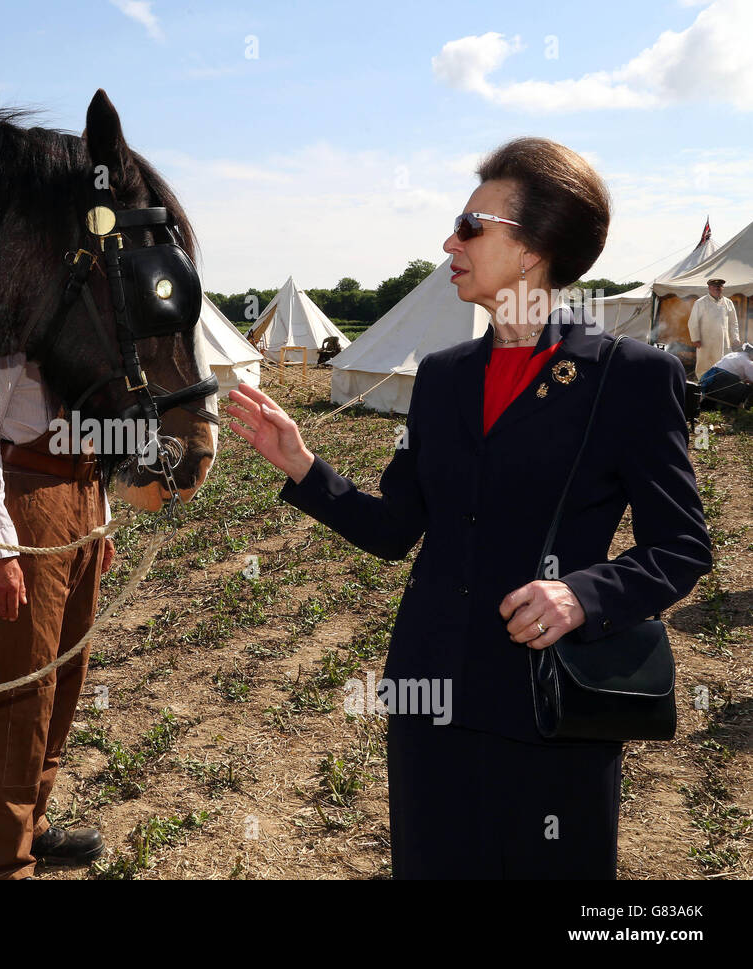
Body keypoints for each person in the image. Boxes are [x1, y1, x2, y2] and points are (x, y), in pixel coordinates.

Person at [227, 137, 712, 879]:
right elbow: (396, 529)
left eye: (470, 223)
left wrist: (582, 593)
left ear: (534, 248)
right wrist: (302, 464)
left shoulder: (629, 378)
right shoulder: (444, 377)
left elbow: (681, 545)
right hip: (432, 699)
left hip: (550, 706)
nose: (449, 241)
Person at [0, 355, 114, 879]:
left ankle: (32, 824)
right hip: (28, 498)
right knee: (18, 683)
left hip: (84, 493)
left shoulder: (87, 308)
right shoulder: (19, 305)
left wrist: (102, 516)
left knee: (64, 676)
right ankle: (0, 861)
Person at [687, 278, 740, 379]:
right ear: (709, 287)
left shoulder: (728, 303)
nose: (716, 288)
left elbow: (734, 323)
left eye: (719, 286)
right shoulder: (700, 302)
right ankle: (703, 389)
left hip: (724, 342)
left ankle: (721, 390)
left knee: (724, 367)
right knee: (704, 367)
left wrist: (735, 338)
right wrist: (695, 338)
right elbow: (693, 322)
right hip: (706, 342)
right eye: (714, 286)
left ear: (722, 288)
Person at [697, 341, 753, 409]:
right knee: (748, 389)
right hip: (723, 380)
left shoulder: (733, 354)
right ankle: (740, 408)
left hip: (712, 378)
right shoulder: (747, 361)